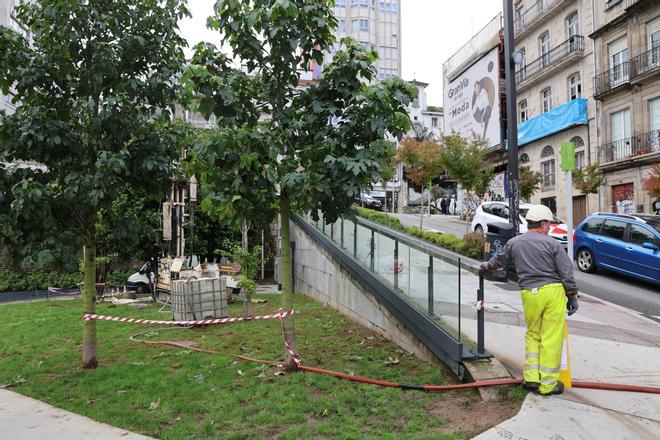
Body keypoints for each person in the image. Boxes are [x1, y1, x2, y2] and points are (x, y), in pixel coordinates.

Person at [480, 205, 578, 396]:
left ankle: (532, 377)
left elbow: (497, 260)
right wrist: (572, 296)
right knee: (551, 337)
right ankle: (548, 384)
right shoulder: (553, 244)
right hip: (552, 292)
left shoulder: (514, 243)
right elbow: (567, 274)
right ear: (542, 224)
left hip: (529, 293)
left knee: (533, 334)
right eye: (548, 224)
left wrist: (485, 265)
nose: (549, 227)